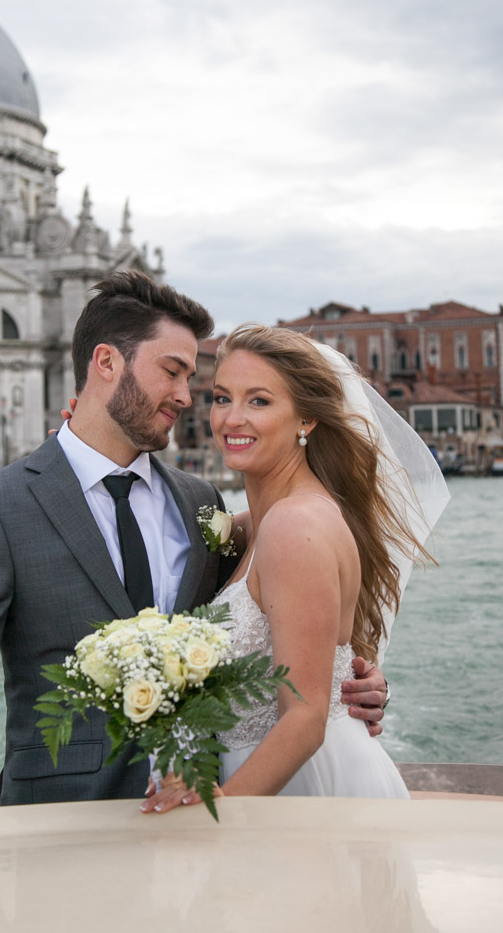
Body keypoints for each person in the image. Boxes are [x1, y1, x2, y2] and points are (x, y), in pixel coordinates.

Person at [0, 279, 387, 836]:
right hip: (60, 820)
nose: (186, 397)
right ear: (107, 363)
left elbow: (287, 615)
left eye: (191, 379)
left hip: (198, 808)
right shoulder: (0, 507)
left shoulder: (201, 504)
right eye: (172, 372)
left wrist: (356, 681)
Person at [141, 324, 447, 814]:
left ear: (306, 417)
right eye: (222, 398)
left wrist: (218, 812)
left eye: (259, 401)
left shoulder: (293, 525)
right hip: (272, 778)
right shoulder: (251, 526)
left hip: (303, 788)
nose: (232, 419)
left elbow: (305, 719)